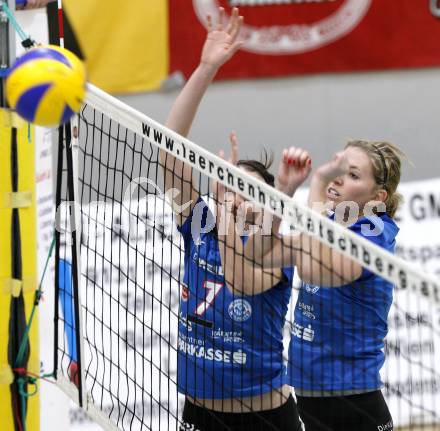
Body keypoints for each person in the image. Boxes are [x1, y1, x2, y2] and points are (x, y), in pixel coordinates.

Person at [160, 7, 303, 431]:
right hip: (198, 413)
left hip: (263, 418)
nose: (238, 193)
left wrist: (225, 211)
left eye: (251, 189)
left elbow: (242, 279)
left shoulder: (274, 248)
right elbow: (168, 150)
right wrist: (205, 68)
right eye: (232, 182)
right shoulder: (200, 227)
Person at [245, 140, 404, 430]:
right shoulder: (328, 225)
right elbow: (258, 253)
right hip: (311, 396)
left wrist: (317, 183)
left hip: (353, 401)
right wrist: (284, 189)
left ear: (377, 196)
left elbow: (314, 270)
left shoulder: (375, 234)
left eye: (353, 175)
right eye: (337, 166)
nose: (338, 177)